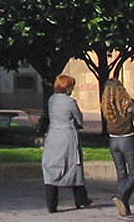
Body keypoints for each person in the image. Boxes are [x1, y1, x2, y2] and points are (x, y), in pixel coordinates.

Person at [41, 74, 91, 213]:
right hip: (67, 135)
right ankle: (81, 199)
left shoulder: (51, 100)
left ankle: (52, 204)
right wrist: (79, 124)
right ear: (67, 87)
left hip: (53, 135)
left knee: (51, 167)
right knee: (73, 166)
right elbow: (78, 118)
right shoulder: (70, 102)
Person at [101, 78, 134, 218]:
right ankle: (120, 196)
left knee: (121, 173)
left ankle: (124, 206)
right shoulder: (127, 104)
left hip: (113, 141)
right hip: (126, 139)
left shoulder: (106, 105)